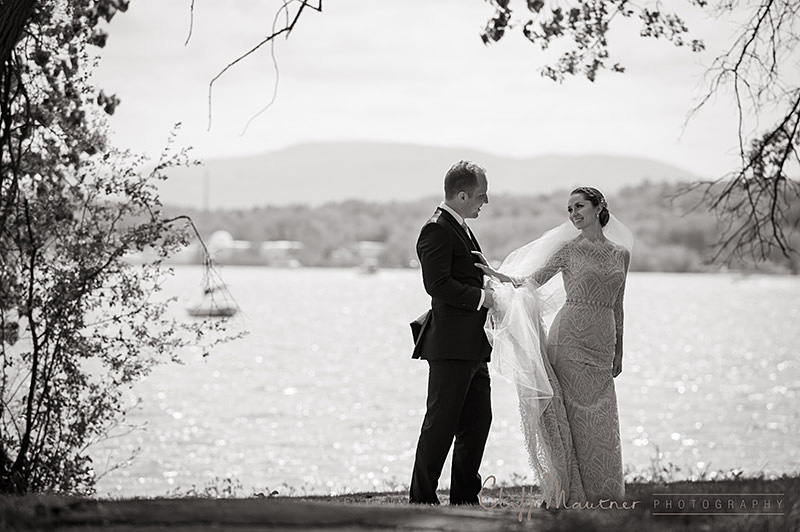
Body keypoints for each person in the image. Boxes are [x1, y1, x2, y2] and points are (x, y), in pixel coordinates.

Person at [474, 186, 633, 507]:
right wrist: (496, 274)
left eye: (579, 206)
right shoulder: (568, 250)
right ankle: (570, 491)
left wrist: (619, 350)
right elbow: (530, 281)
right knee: (572, 416)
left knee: (601, 417)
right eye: (569, 209)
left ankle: (604, 492)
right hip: (569, 340)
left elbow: (618, 305)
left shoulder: (621, 254)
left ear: (598, 207)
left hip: (602, 344)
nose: (574, 213)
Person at [409, 160, 494, 505]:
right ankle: (423, 498)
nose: (484, 202)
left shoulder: (460, 226)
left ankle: (464, 497)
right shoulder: (437, 229)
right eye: (481, 195)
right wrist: (481, 298)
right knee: (440, 426)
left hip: (474, 346)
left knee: (477, 422)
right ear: (461, 195)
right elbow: (437, 284)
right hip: (450, 347)